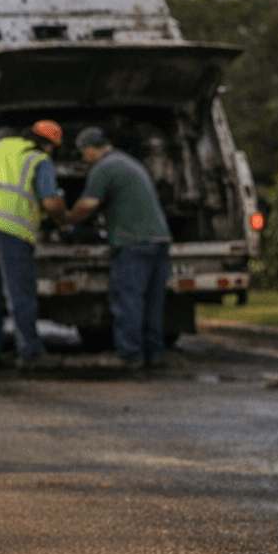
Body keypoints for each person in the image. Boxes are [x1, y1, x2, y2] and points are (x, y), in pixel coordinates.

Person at [0, 119, 69, 370]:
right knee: (19, 294)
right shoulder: (38, 160)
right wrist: (66, 219)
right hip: (11, 231)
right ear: (51, 146)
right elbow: (51, 203)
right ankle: (30, 353)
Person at [67, 126, 173, 371]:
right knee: (152, 302)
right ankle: (154, 353)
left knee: (129, 301)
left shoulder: (104, 168)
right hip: (159, 240)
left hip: (132, 243)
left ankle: (129, 355)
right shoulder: (129, 162)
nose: (83, 158)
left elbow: (88, 205)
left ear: (92, 150)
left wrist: (66, 219)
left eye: (83, 153)